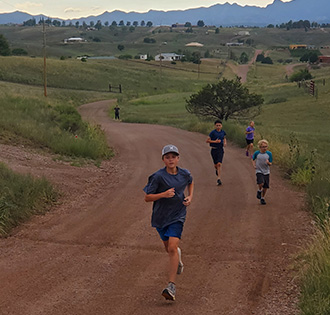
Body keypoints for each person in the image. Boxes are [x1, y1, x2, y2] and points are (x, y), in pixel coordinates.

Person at [143, 145, 194, 301]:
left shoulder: (185, 173)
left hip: (178, 215)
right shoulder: (157, 177)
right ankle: (177, 256)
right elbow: (147, 197)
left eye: (174, 156)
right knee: (169, 249)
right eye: (168, 157)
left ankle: (171, 285)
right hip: (160, 217)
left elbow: (191, 182)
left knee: (171, 247)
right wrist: (163, 194)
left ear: (178, 158)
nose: (171, 159)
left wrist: (190, 197)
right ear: (163, 159)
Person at [206, 120, 227, 185]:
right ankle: (217, 170)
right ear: (215, 126)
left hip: (220, 149)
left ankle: (219, 178)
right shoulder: (212, 133)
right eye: (217, 125)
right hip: (214, 149)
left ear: (221, 126)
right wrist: (215, 141)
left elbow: (224, 138)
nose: (218, 126)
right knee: (216, 165)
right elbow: (207, 141)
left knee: (219, 164)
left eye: (219, 125)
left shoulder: (223, 132)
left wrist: (225, 142)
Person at [252, 139, 273, 205]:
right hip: (259, 170)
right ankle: (259, 190)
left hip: (266, 171)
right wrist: (254, 165)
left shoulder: (269, 154)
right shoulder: (257, 153)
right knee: (261, 182)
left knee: (266, 186)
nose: (264, 148)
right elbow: (253, 159)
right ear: (260, 147)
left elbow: (271, 163)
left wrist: (268, 163)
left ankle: (262, 198)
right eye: (263, 147)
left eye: (266, 146)